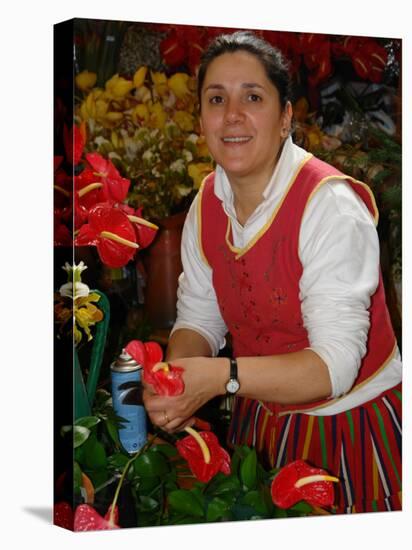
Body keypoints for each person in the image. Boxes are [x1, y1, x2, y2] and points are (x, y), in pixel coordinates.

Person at [143, 31, 402, 514]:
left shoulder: (330, 206)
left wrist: (219, 377)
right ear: (201, 118)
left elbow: (334, 367)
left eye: (253, 97)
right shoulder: (208, 201)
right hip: (259, 421)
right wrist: (177, 382)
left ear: (285, 118)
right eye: (216, 99)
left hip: (348, 429)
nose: (233, 115)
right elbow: (198, 317)